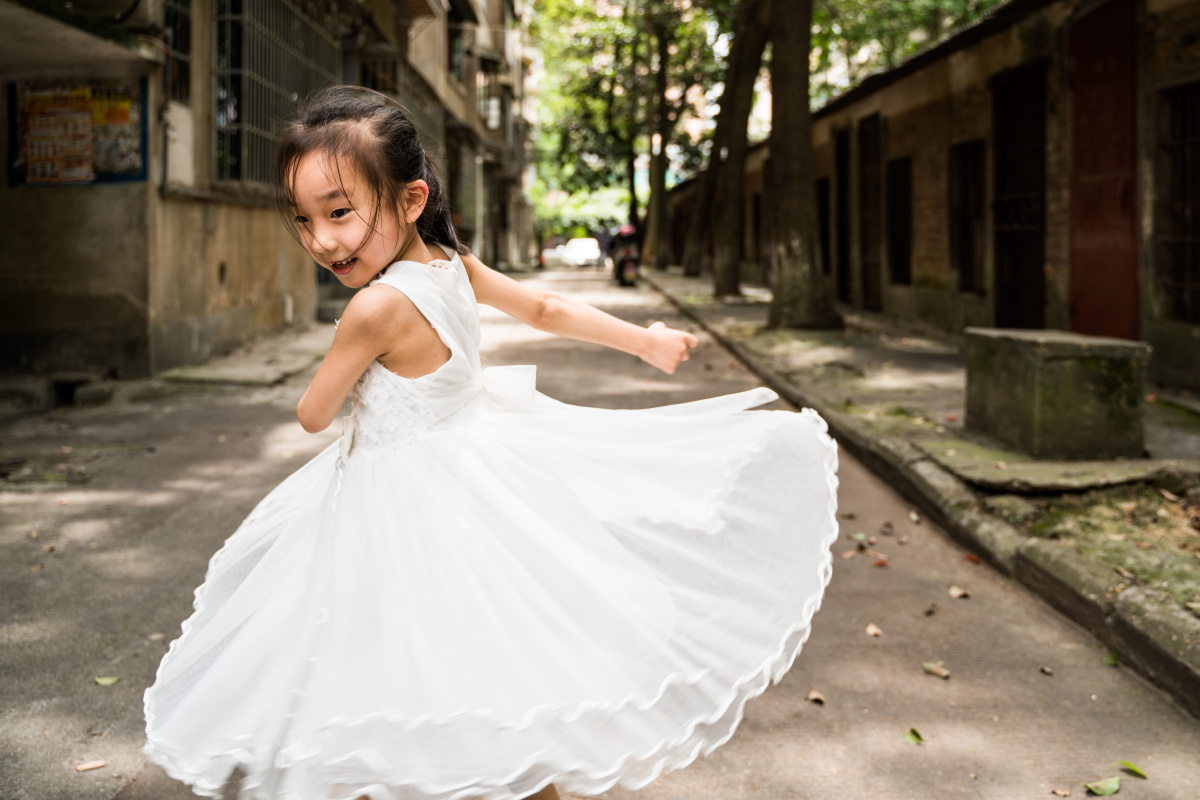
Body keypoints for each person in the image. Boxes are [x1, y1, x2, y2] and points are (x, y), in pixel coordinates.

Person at [143, 86, 838, 800]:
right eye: (305, 219)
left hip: (407, 503)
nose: (322, 240)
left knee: (392, 663)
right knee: (497, 661)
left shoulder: (374, 306)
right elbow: (546, 306)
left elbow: (314, 414)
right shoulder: (450, 263)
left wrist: (344, 379)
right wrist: (646, 340)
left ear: (411, 199)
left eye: (340, 212)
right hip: (479, 471)